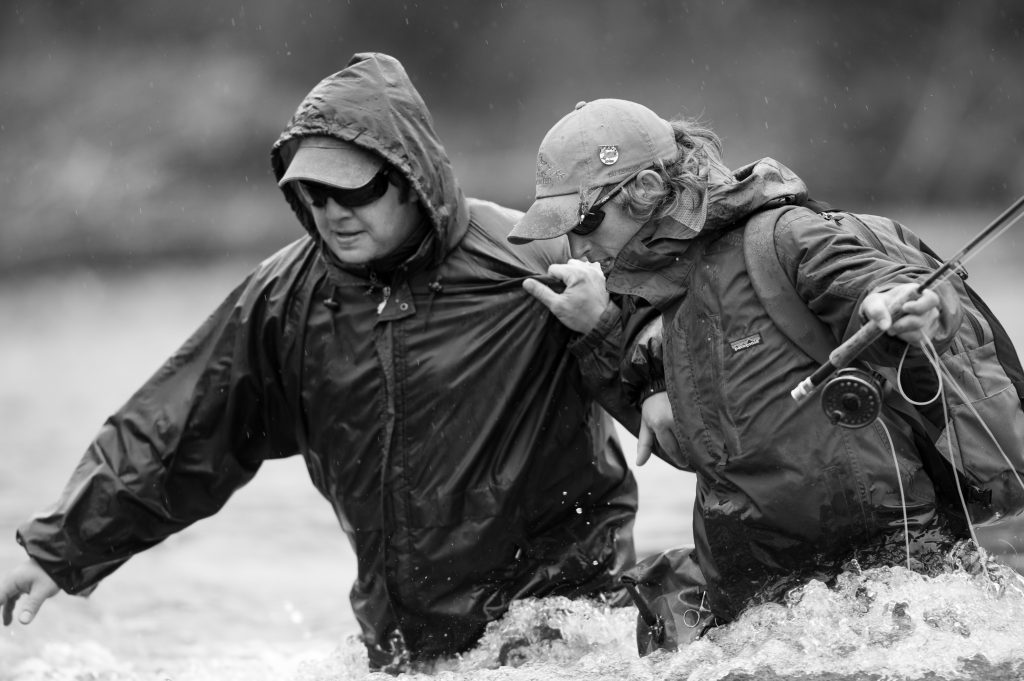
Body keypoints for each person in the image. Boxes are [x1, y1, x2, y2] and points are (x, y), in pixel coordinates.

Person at [0, 55, 641, 672]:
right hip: (401, 653)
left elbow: (689, 360)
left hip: (567, 634)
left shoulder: (534, 258)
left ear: (409, 175)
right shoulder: (286, 300)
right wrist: (62, 549)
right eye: (311, 191)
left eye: (351, 188)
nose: (332, 210)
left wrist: (623, 347)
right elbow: (178, 427)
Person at [508, 98, 971, 652]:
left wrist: (909, 303)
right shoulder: (644, 295)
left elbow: (894, 283)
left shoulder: (784, 237)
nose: (575, 243)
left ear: (649, 188)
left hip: (890, 594)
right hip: (755, 606)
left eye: (583, 220)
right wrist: (602, 332)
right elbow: (685, 452)